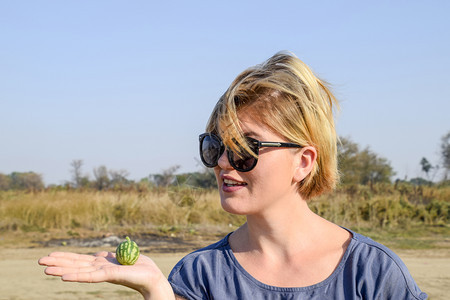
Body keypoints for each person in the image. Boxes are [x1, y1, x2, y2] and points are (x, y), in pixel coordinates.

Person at [39, 51, 427, 299]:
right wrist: (158, 291)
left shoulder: (372, 273)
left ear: (304, 162)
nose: (223, 162)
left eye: (245, 148)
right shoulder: (200, 276)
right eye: (215, 146)